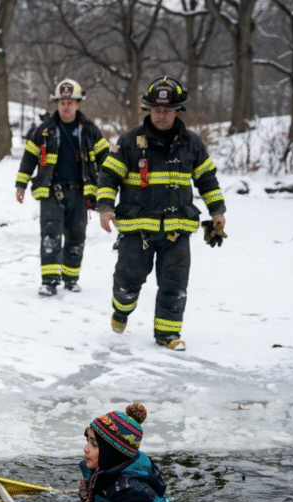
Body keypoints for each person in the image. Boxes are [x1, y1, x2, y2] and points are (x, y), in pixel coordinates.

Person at [96, 76, 227, 351]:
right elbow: (108, 177)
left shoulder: (191, 143)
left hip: (177, 230)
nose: (162, 115)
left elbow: (207, 179)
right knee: (128, 281)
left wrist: (217, 211)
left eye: (167, 111)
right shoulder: (130, 142)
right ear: (149, 110)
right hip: (136, 230)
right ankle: (121, 310)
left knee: (175, 283)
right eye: (156, 110)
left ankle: (167, 335)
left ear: (178, 111)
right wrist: (106, 208)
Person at [16, 79, 110, 296]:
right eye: (62, 102)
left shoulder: (90, 130)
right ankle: (49, 281)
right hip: (51, 191)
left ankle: (71, 278)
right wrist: (21, 185)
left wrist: (109, 184)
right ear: (56, 104)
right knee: (50, 235)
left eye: (70, 102)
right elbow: (29, 159)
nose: (66, 106)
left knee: (77, 235)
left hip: (80, 191)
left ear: (78, 104)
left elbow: (106, 161)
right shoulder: (44, 130)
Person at [79, 403, 172, 502]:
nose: (85, 449)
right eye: (88, 441)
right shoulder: (107, 465)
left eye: (94, 444)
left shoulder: (132, 491)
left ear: (112, 453)